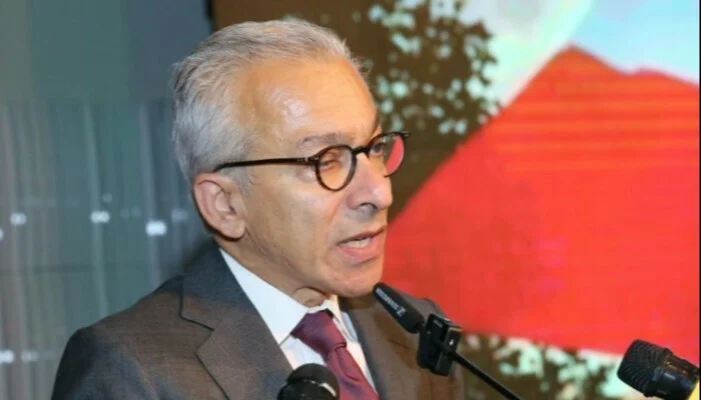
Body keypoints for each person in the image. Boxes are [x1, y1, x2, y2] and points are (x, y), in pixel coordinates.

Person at [51, 19, 464, 399]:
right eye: (325, 160)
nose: (379, 192)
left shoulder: (414, 329)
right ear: (225, 204)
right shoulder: (130, 370)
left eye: (374, 148)